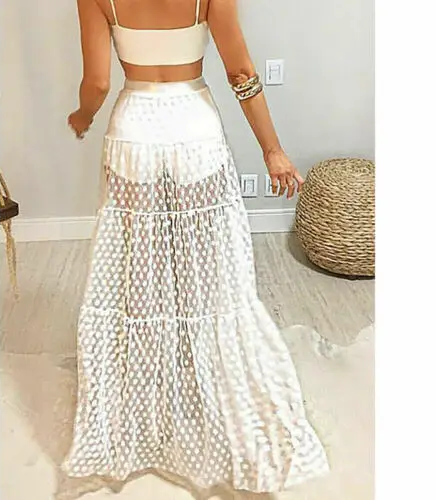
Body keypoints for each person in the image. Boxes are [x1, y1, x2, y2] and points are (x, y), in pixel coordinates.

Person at [63, 0, 329, 494]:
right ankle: (207, 382)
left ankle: (145, 394)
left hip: (134, 134)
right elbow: (241, 73)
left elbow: (97, 83)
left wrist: (82, 117)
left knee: (139, 274)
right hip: (194, 132)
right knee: (210, 275)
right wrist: (272, 150)